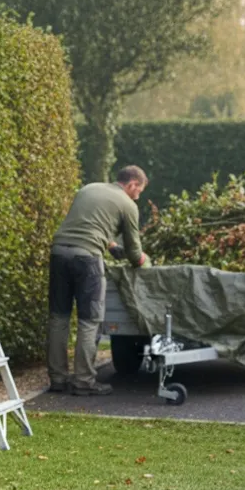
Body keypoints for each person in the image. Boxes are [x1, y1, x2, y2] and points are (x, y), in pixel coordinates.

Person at [47, 165, 150, 395]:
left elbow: (85, 223)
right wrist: (142, 260)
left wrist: (111, 245)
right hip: (86, 259)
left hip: (59, 253)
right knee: (89, 320)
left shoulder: (89, 188)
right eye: (139, 191)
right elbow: (134, 252)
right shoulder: (128, 205)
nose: (138, 196)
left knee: (58, 317)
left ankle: (58, 379)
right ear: (132, 184)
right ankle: (84, 381)